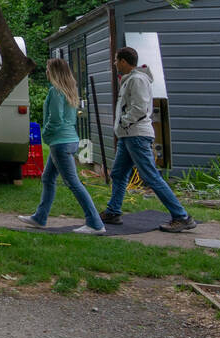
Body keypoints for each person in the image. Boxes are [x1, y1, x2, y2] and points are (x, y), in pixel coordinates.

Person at [100, 46, 197, 232]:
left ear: (123, 61)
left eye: (115, 60)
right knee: (119, 174)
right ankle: (113, 211)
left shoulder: (137, 80)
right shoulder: (130, 79)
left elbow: (140, 108)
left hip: (136, 135)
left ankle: (181, 216)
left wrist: (123, 122)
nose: (114, 64)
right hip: (128, 135)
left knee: (150, 176)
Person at [18, 59, 105, 234]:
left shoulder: (55, 91)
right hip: (70, 140)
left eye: (48, 69)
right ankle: (40, 217)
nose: (46, 72)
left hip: (60, 143)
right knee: (48, 178)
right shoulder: (70, 91)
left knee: (73, 182)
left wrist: (46, 133)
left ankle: (95, 223)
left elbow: (56, 119)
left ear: (54, 72)